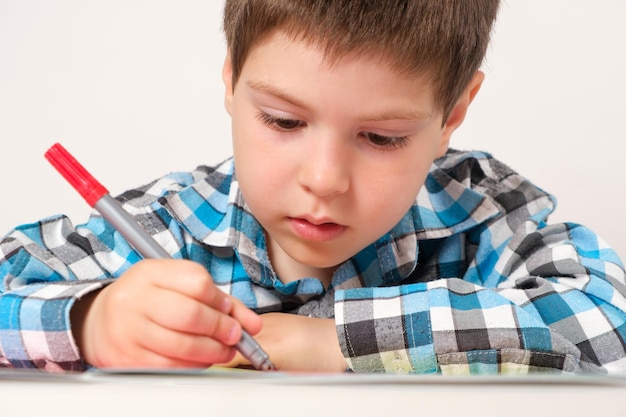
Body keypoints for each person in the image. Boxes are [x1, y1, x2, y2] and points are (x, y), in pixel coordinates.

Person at [1, 0, 625, 375]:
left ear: (454, 115)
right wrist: (89, 320)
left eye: (381, 137)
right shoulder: (170, 227)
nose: (324, 179)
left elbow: (606, 322)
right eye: (284, 122)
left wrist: (331, 343)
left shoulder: (481, 219)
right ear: (231, 80)